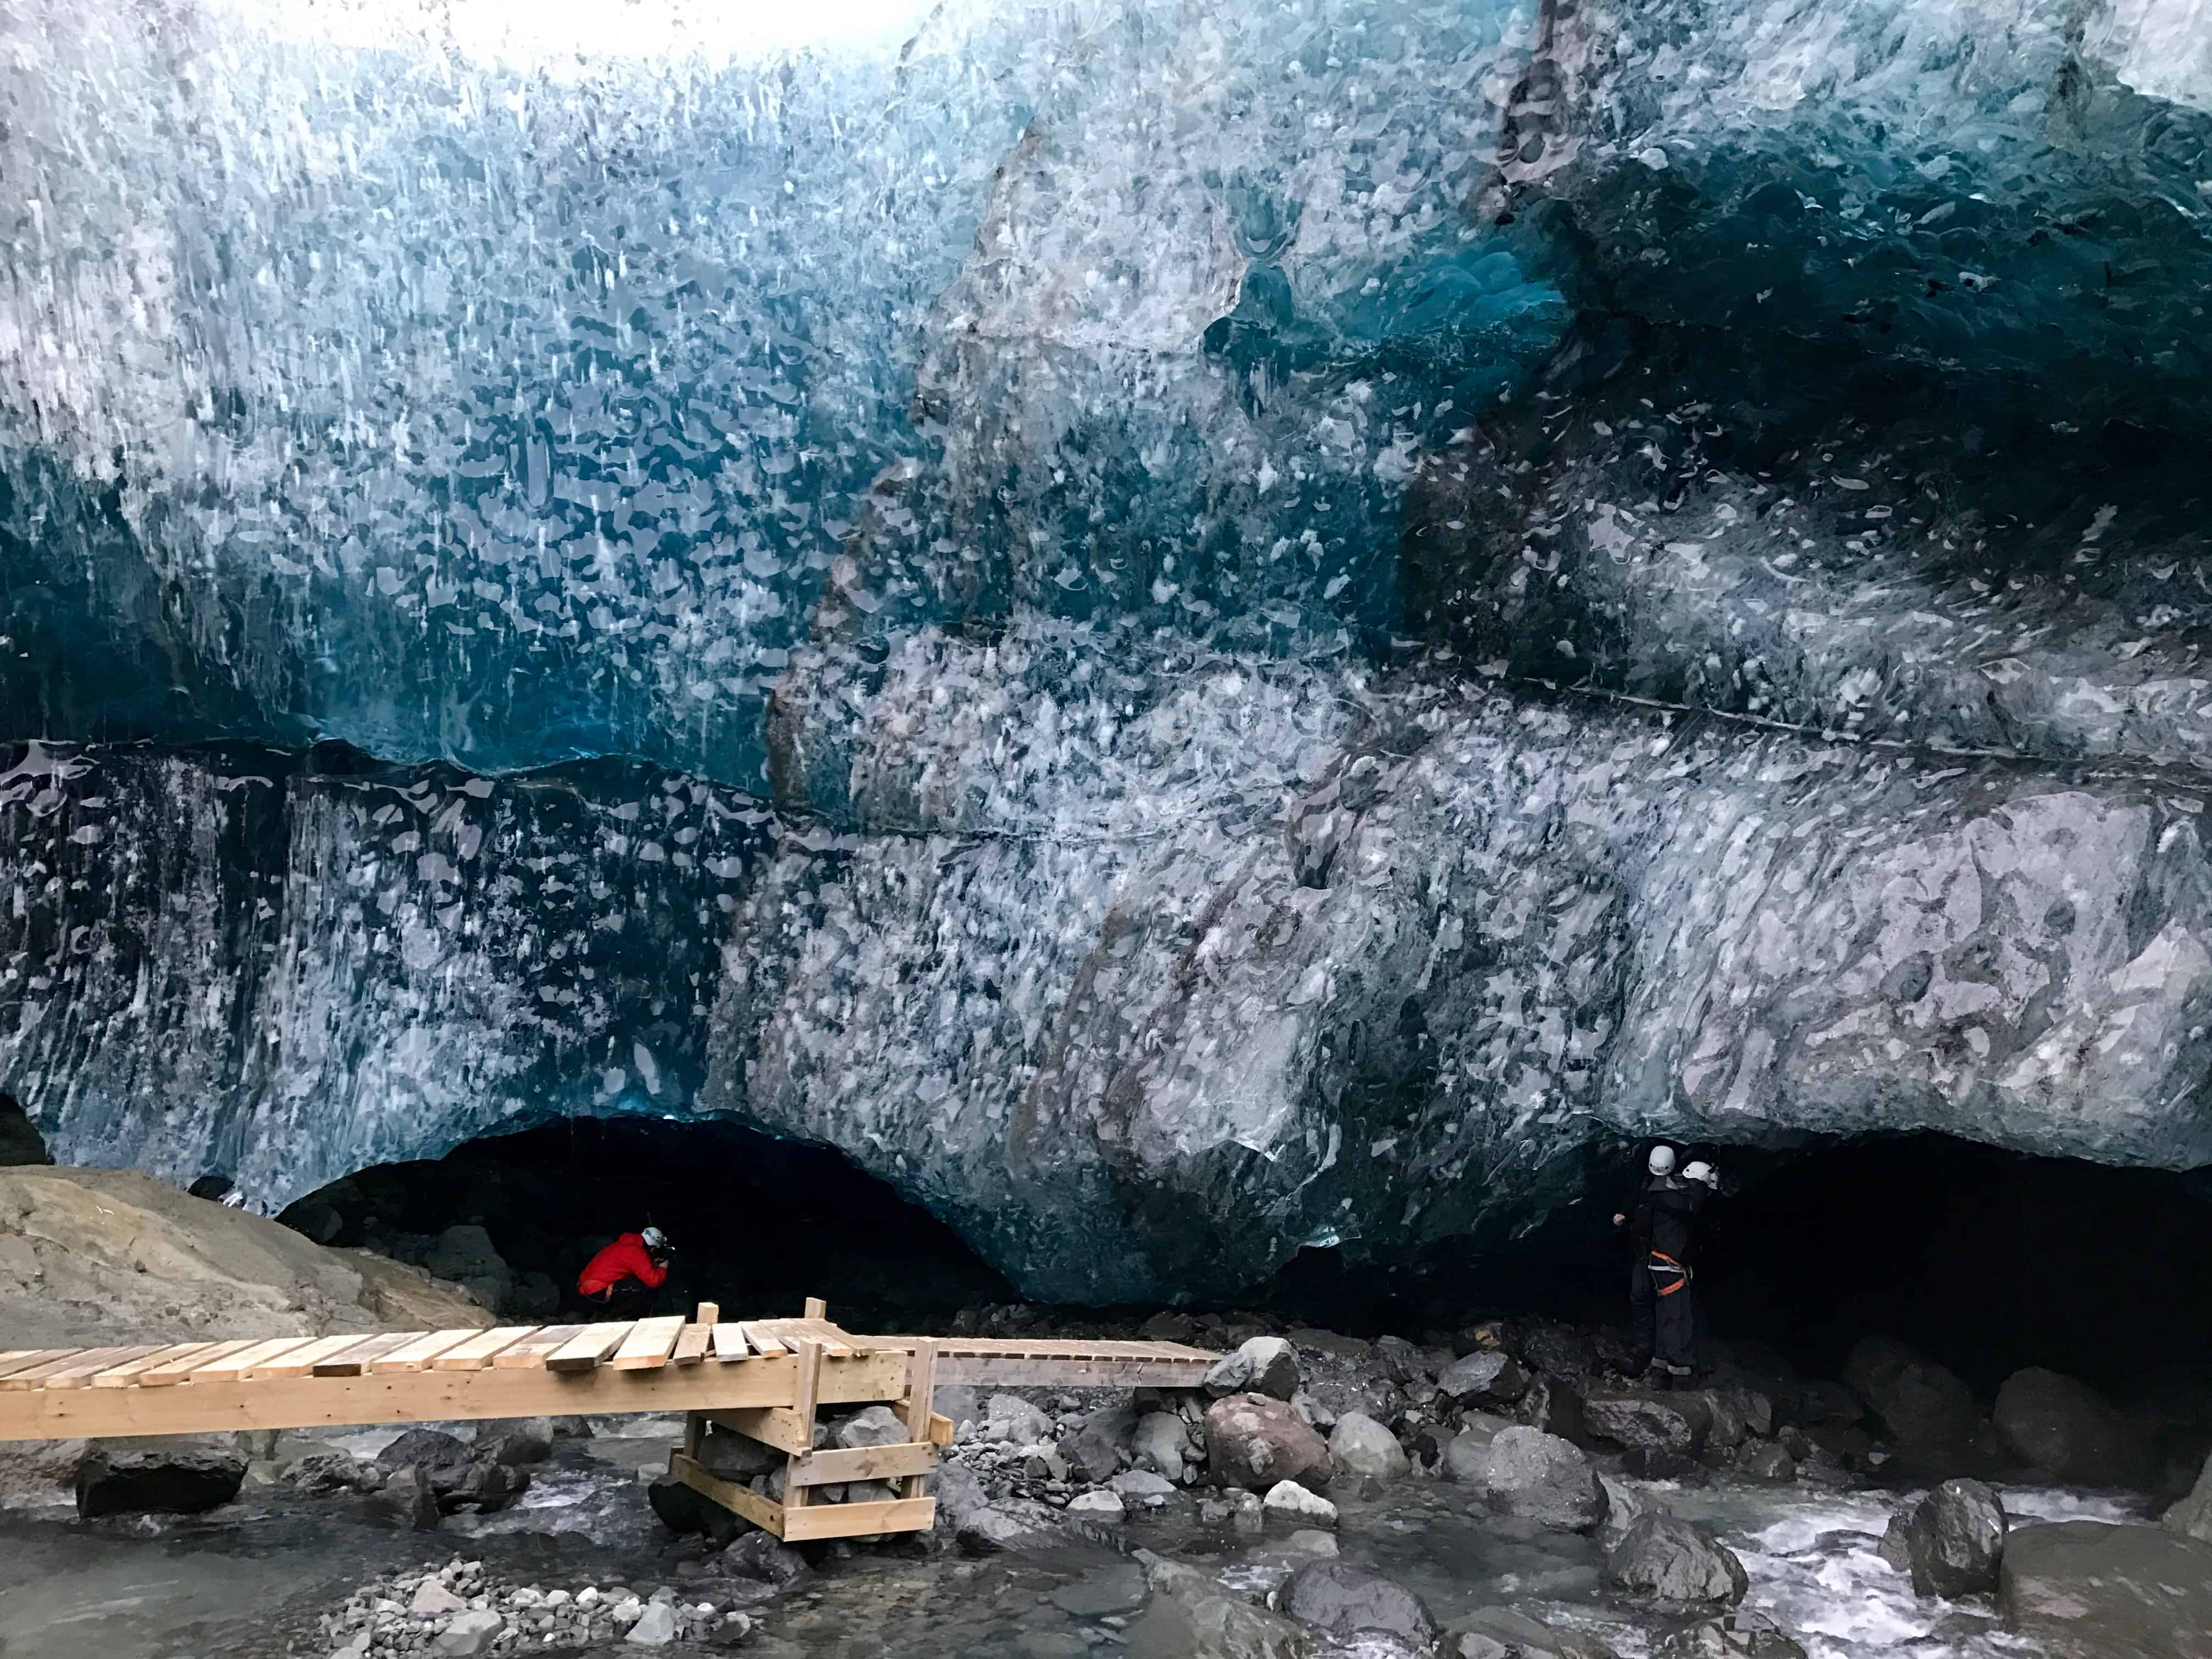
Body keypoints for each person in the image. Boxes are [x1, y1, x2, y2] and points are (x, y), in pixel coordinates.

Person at [1612, 1147, 1717, 1388]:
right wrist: (1701, 1183)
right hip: (1666, 1265)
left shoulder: (1660, 1192)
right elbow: (1693, 1207)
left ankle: (1659, 1369)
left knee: (1665, 1313)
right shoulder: (1670, 1197)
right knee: (1676, 1317)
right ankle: (1680, 1373)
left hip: (1659, 1262)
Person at [575, 1225, 673, 1319]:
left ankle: (603, 1314)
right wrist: (662, 1268)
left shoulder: (626, 1244)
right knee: (641, 1288)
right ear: (653, 1248)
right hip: (595, 1291)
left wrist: (653, 1265)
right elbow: (654, 1281)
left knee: (634, 1282)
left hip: (587, 1287)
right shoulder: (636, 1252)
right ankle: (614, 1319)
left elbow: (634, 1267)